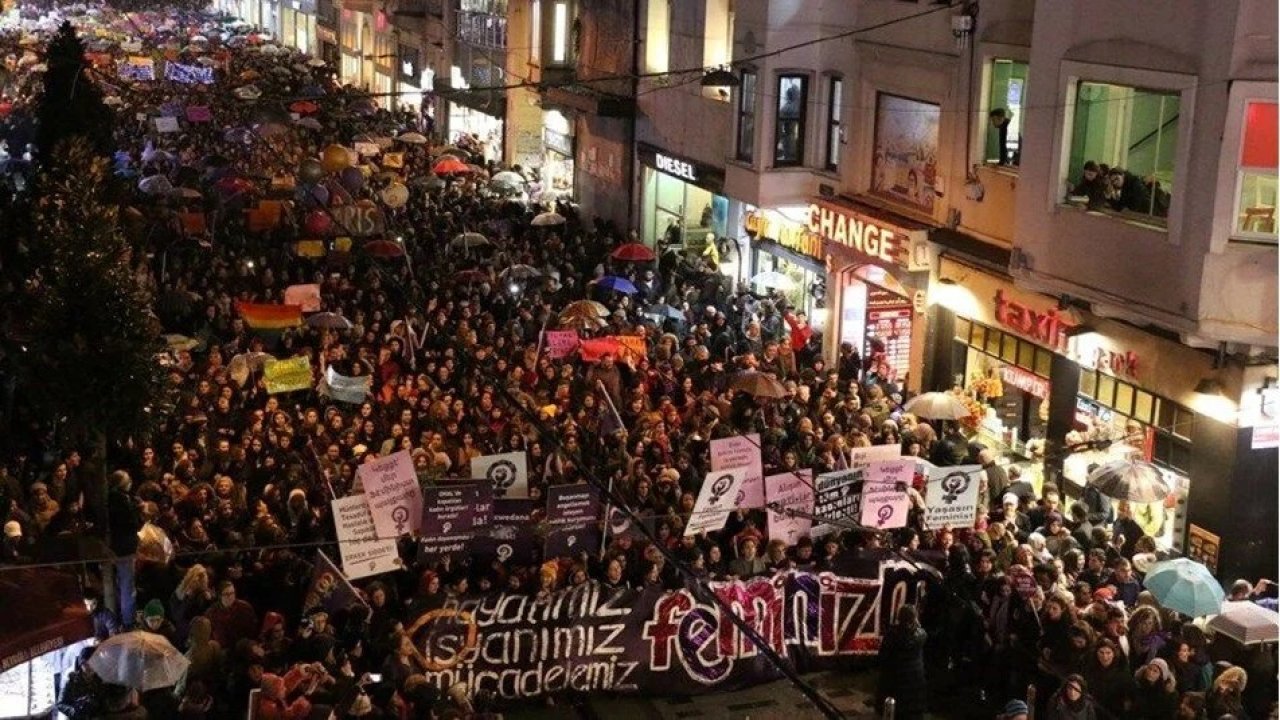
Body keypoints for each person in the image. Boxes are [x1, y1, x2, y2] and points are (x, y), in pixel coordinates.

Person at [876, 604, 927, 720]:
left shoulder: (891, 635)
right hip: (915, 686)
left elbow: (882, 657)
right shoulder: (921, 635)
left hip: (894, 684)